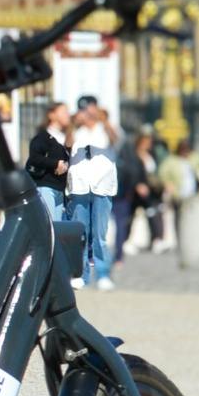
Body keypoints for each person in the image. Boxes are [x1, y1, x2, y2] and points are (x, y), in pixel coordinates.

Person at [58, 98, 121, 290]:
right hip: (79, 185)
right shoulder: (77, 130)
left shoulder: (105, 128)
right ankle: (80, 274)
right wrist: (73, 125)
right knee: (81, 233)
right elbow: (67, 144)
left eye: (90, 109)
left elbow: (115, 140)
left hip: (102, 185)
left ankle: (102, 274)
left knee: (100, 234)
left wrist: (104, 120)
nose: (87, 113)